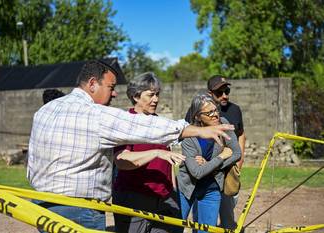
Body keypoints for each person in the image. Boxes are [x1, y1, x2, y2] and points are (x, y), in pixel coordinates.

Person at [27, 59, 234, 231]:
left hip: (42, 205)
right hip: (86, 208)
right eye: (111, 87)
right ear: (92, 83)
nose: (114, 93)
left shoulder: (45, 111)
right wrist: (197, 130)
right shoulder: (98, 115)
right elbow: (142, 131)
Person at [112, 72, 184, 233]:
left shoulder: (160, 122)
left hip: (165, 198)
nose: (156, 99)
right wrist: (156, 152)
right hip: (133, 197)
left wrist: (173, 189)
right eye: (151, 95)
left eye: (157, 94)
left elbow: (169, 160)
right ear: (136, 96)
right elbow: (122, 161)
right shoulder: (124, 122)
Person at [178, 94, 241, 233]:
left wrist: (210, 165)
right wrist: (221, 157)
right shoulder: (189, 135)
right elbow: (197, 172)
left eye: (216, 110)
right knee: (175, 227)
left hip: (212, 188)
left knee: (206, 231)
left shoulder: (223, 124)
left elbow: (237, 153)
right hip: (188, 187)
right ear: (197, 116)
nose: (215, 115)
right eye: (209, 112)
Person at [207, 75, 246, 229]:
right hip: (207, 171)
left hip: (229, 169)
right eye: (219, 93)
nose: (225, 96)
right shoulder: (199, 110)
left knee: (228, 215)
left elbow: (241, 133)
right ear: (210, 93)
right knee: (204, 220)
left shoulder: (235, 109)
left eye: (227, 91)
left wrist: (240, 159)